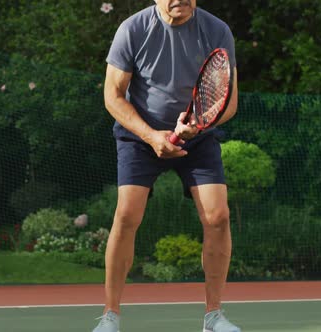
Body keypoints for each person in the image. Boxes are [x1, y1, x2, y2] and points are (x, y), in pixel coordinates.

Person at [92, 0, 240, 331]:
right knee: (127, 214)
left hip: (196, 137)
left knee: (218, 218)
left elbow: (229, 101)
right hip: (139, 135)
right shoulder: (132, 29)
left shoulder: (217, 30)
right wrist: (151, 136)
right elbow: (113, 95)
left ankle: (214, 316)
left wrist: (197, 126)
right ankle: (110, 316)